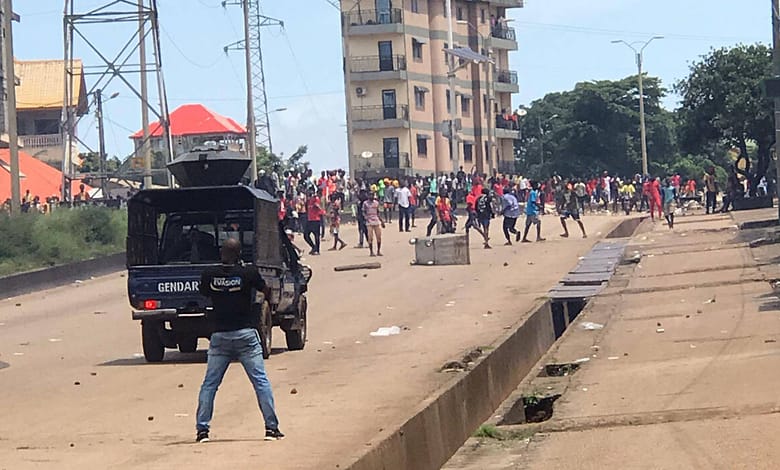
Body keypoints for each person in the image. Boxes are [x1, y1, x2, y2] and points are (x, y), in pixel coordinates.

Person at [196, 238, 283, 443]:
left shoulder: (210, 274)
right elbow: (265, 290)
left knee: (210, 385)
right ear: (239, 254)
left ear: (221, 254)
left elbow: (204, 292)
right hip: (245, 335)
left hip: (219, 336)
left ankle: (202, 430)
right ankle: (271, 428)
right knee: (260, 381)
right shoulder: (248, 273)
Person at [362, 190, 385, 256]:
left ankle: (378, 251)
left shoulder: (376, 203)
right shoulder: (365, 203)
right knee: (370, 237)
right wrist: (365, 217)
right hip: (369, 222)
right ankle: (371, 251)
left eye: (372, 195)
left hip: (376, 221)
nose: (371, 196)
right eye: (370, 195)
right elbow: (363, 212)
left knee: (379, 237)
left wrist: (382, 221)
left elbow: (378, 213)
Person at [303, 189, 323, 255]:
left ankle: (317, 250)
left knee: (316, 235)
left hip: (315, 220)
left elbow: (317, 206)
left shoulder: (315, 199)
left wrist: (322, 212)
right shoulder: (308, 201)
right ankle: (313, 247)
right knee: (305, 235)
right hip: (309, 220)